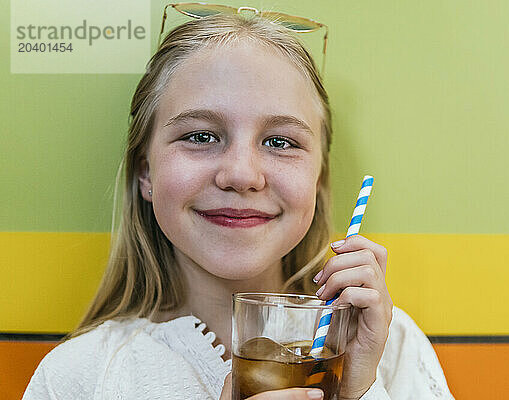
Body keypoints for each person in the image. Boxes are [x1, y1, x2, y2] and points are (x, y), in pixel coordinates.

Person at [23, 11, 454, 400]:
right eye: (201, 136)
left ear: (318, 181)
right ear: (146, 174)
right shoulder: (79, 378)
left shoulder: (389, 348)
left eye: (280, 142)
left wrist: (358, 390)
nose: (242, 175)